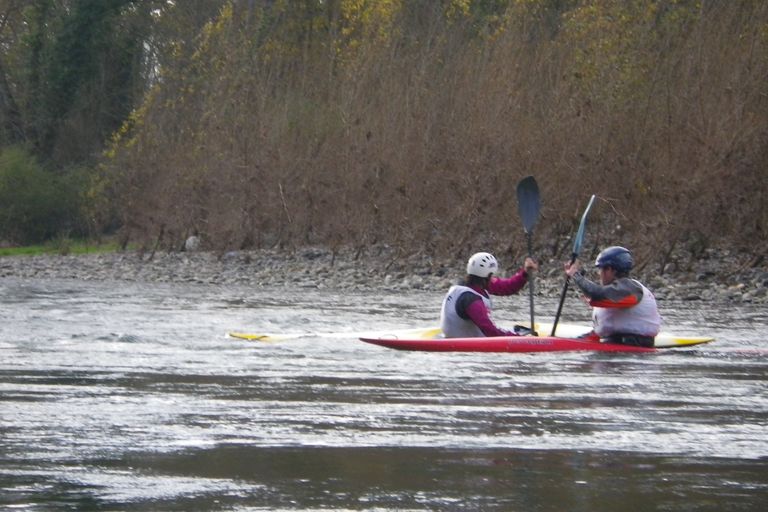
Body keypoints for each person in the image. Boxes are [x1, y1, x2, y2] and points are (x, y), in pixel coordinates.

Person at [564, 246, 661, 347]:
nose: (599, 274)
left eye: (600, 270)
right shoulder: (616, 292)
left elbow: (596, 293)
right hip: (617, 343)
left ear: (609, 270)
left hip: (631, 349)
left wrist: (575, 275)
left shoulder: (629, 288)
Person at [440, 252, 538, 338]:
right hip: (466, 341)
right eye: (492, 275)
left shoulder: (471, 285)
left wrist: (525, 273)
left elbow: (507, 287)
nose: (493, 278)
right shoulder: (471, 300)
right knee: (527, 333)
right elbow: (490, 331)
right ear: (487, 275)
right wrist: (519, 338)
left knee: (521, 330)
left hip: (458, 335)